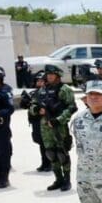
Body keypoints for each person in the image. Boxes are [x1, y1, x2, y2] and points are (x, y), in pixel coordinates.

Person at [29, 64, 77, 192]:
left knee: (62, 153)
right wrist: (37, 110)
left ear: (58, 76)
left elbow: (72, 107)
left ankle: (67, 180)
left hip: (59, 127)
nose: (49, 77)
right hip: (45, 127)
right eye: (48, 75)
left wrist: (58, 120)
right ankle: (58, 179)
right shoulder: (42, 90)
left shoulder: (64, 89)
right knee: (51, 153)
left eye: (52, 74)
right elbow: (32, 105)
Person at [19, 72, 51, 172]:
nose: (39, 83)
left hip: (46, 122)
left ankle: (51, 163)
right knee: (40, 142)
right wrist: (25, 101)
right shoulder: (33, 93)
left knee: (48, 144)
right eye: (38, 81)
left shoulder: (49, 93)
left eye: (41, 81)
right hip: (36, 122)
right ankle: (44, 163)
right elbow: (23, 106)